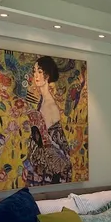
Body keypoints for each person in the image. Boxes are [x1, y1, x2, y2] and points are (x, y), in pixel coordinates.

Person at [24, 56, 73, 185]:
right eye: (34, 71)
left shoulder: (50, 106)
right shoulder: (42, 101)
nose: (36, 75)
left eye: (40, 71)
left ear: (47, 75)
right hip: (38, 166)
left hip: (48, 171)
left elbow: (50, 144)